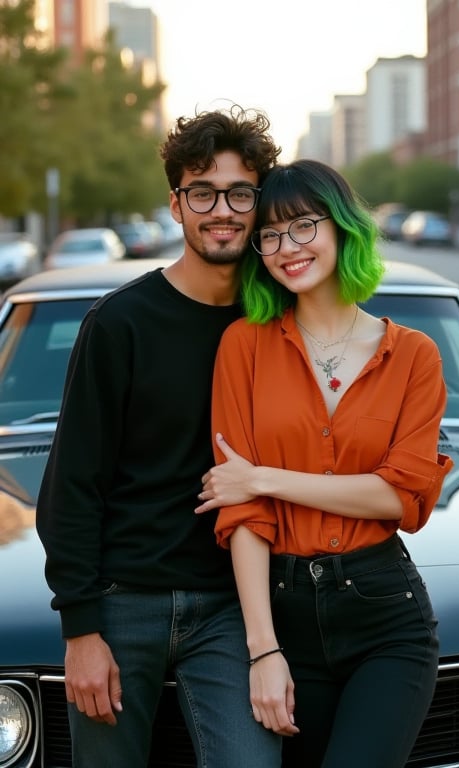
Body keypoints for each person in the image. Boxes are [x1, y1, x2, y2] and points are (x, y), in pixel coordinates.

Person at [35, 105, 283, 768]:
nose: (222, 209)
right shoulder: (119, 325)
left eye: (239, 192)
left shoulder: (277, 326)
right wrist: (81, 630)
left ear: (259, 203)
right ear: (176, 205)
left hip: (232, 608)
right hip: (123, 605)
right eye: (202, 192)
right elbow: (72, 488)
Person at [196, 159, 454, 768]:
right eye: (271, 234)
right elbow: (245, 516)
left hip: (386, 616)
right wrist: (263, 651)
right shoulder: (244, 347)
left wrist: (262, 476)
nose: (287, 248)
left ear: (341, 228)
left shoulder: (413, 356)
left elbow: (403, 497)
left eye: (304, 226)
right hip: (285, 619)